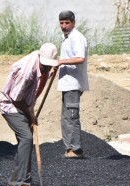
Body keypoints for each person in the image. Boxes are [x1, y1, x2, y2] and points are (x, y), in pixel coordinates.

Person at [0, 43, 58, 186]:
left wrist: (51, 70)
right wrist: (31, 115)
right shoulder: (27, 72)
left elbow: (37, 83)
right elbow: (16, 99)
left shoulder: (41, 63)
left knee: (24, 144)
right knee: (26, 137)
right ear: (40, 58)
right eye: (45, 65)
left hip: (23, 104)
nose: (47, 67)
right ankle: (23, 184)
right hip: (11, 106)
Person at [56, 10, 89, 159]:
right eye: (61, 23)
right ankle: (69, 147)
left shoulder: (77, 38)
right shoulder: (65, 38)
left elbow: (80, 58)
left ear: (73, 23)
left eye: (67, 23)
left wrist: (61, 62)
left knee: (72, 116)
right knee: (65, 118)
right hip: (66, 84)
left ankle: (76, 149)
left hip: (73, 84)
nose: (64, 26)